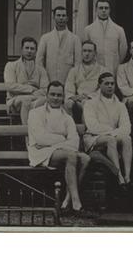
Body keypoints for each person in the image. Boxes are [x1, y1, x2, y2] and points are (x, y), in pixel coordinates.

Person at [28, 81, 90, 214]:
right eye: (52, 94)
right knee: (71, 155)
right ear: (47, 95)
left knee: (85, 158)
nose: (56, 98)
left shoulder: (67, 118)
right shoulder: (35, 113)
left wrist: (56, 141)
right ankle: (76, 204)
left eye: (59, 95)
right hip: (40, 152)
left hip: (61, 150)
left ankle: (66, 201)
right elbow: (40, 138)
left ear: (63, 97)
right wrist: (62, 138)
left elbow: (74, 142)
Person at [83, 72, 133, 189]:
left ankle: (128, 176)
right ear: (99, 85)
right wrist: (113, 131)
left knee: (127, 139)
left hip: (113, 136)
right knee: (111, 140)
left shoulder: (120, 105)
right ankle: (119, 175)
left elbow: (127, 127)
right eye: (106, 83)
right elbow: (92, 126)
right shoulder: (90, 103)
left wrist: (114, 133)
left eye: (112, 83)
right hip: (93, 138)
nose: (110, 86)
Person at [4, 37, 48, 124]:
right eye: (26, 48)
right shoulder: (11, 66)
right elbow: (10, 86)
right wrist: (31, 89)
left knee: (46, 101)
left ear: (36, 51)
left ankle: (34, 132)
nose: (29, 51)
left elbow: (46, 88)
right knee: (27, 101)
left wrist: (34, 94)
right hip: (15, 100)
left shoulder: (41, 69)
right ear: (21, 49)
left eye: (32, 49)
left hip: (35, 98)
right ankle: (28, 134)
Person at [36, 6, 82, 84]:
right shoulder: (45, 38)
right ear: (53, 17)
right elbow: (39, 61)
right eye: (58, 15)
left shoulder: (75, 39)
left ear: (67, 18)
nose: (61, 18)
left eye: (63, 16)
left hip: (68, 81)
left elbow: (78, 62)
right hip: (49, 80)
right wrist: (44, 78)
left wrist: (73, 79)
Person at [84, 0, 128, 75]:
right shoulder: (88, 29)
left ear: (110, 10)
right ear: (96, 10)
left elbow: (123, 49)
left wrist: (116, 61)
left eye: (106, 8)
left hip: (112, 67)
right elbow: (86, 50)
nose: (103, 10)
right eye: (101, 8)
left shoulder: (119, 29)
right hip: (94, 68)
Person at [65, 40, 107, 120]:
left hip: (94, 98)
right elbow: (69, 88)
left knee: (87, 103)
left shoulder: (102, 70)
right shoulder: (74, 70)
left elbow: (103, 89)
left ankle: (88, 129)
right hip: (77, 98)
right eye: (84, 51)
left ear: (95, 53)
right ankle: (70, 127)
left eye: (90, 51)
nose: (87, 54)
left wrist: (89, 97)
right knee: (68, 103)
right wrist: (74, 97)